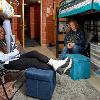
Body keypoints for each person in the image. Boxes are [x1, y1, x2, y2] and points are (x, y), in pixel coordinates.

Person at [0, 26, 72, 75]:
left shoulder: (3, 41)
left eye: (3, 31)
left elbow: (12, 50)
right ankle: (57, 66)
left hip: (15, 57)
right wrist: (17, 51)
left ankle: (56, 64)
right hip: (7, 63)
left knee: (34, 53)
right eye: (0, 32)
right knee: (33, 61)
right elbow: (2, 58)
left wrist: (16, 45)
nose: (3, 33)